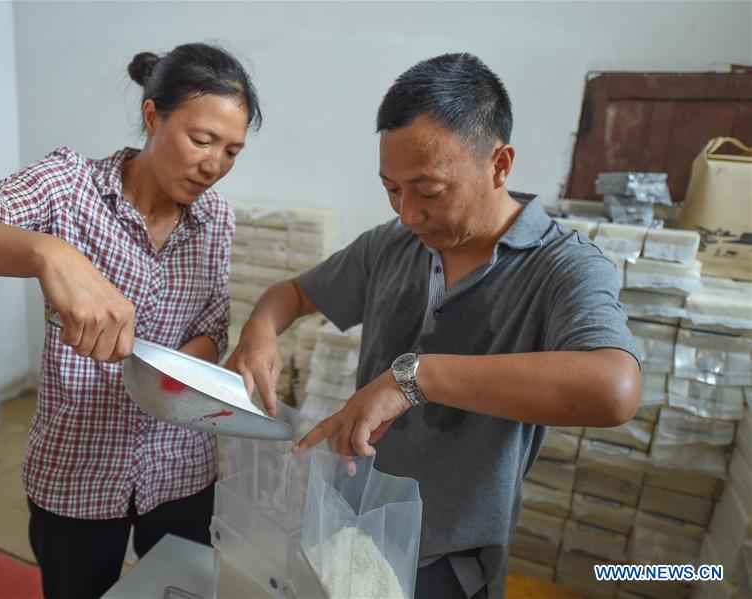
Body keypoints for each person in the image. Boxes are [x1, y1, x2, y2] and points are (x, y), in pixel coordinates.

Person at [226, 53, 641, 599]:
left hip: (451, 560)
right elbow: (295, 294)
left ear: (499, 165)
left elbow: (615, 388)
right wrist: (259, 329)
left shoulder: (562, 266)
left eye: (429, 191)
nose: (408, 213)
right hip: (354, 529)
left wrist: (414, 378)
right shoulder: (392, 245)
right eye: (391, 188)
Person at [0, 43, 261, 598]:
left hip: (180, 464)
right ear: (153, 116)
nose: (215, 165)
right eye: (202, 140)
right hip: (78, 471)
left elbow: (212, 321)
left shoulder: (217, 216)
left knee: (183, 586)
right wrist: (47, 252)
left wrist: (170, 375)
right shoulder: (70, 186)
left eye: (232, 151)